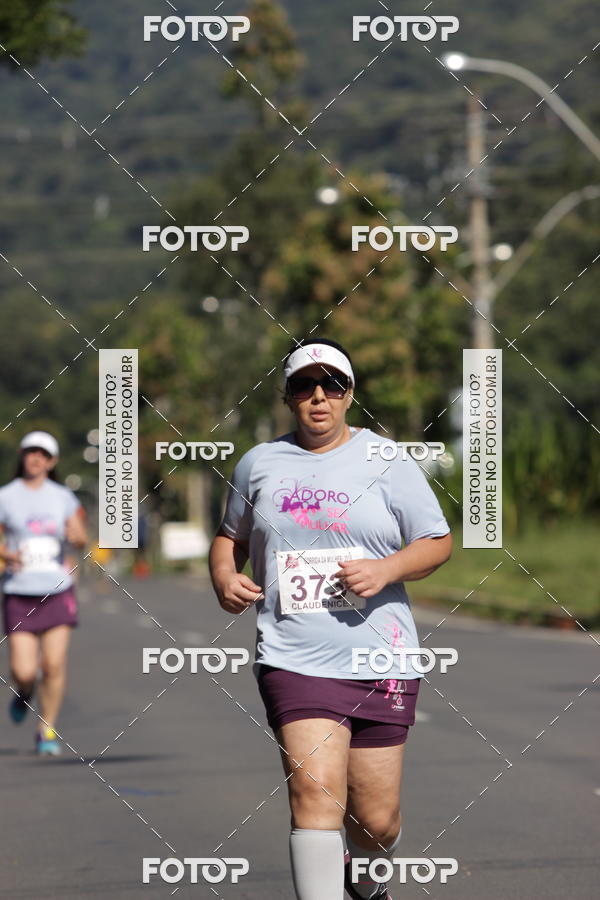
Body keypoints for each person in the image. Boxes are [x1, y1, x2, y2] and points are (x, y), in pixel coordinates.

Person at [209, 338, 452, 900]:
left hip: (382, 657)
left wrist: (386, 569)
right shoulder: (258, 463)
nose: (318, 396)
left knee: (376, 820)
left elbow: (436, 542)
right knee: (315, 797)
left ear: (349, 394)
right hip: (294, 656)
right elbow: (229, 538)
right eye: (304, 386)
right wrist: (223, 576)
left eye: (332, 385)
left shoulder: (387, 460)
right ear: (287, 397)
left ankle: (367, 882)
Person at [1, 431, 87, 756]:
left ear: (52, 462)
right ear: (22, 456)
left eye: (43, 454)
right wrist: (6, 554)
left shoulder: (63, 497)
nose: (36, 458)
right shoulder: (6, 496)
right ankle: (24, 693)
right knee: (24, 671)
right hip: (19, 591)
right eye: (30, 452)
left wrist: (78, 537)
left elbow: (80, 536)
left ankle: (46, 729)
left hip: (57, 590)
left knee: (52, 665)